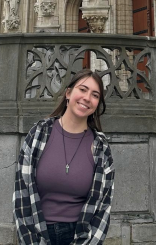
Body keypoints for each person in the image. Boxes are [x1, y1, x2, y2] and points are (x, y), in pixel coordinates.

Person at [14, 69, 115, 245]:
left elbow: (103, 208)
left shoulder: (101, 148)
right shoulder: (39, 133)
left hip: (79, 236)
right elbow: (21, 196)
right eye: (82, 89)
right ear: (68, 93)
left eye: (95, 95)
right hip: (38, 233)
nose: (87, 98)